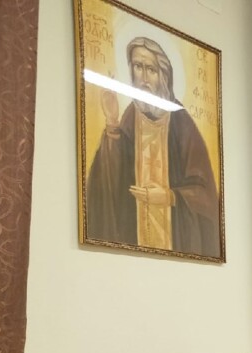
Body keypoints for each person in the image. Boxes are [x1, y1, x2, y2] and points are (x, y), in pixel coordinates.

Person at [85, 36, 220, 259]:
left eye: (151, 70)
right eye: (138, 67)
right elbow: (110, 181)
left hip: (178, 236)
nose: (144, 78)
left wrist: (170, 196)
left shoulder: (181, 123)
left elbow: (204, 192)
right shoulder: (130, 116)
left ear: (163, 76)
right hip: (133, 237)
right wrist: (112, 123)